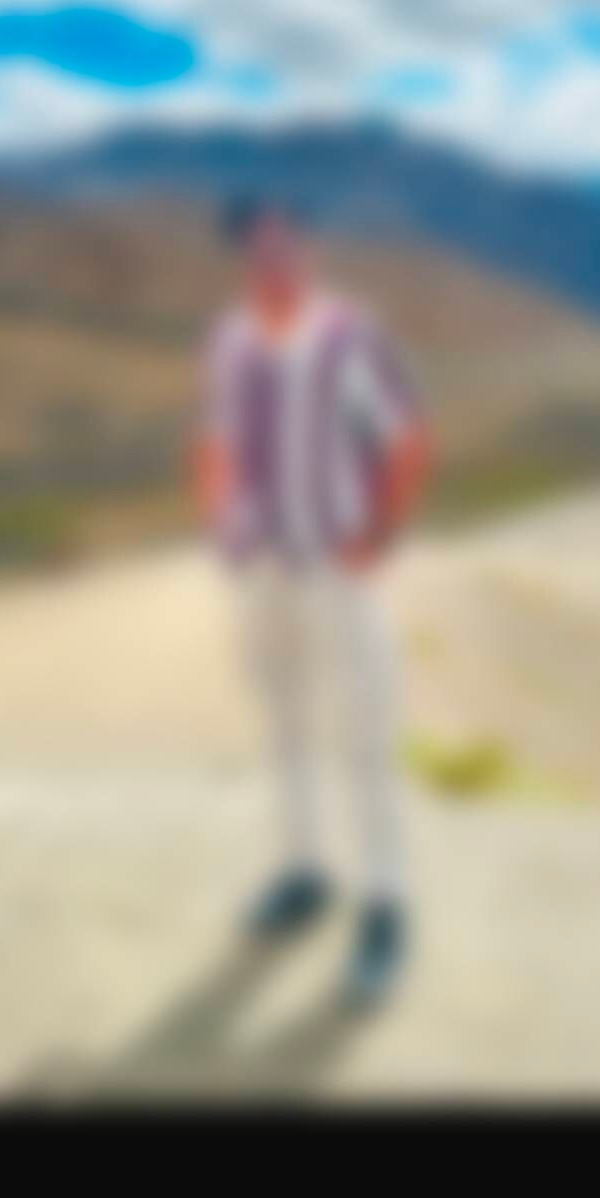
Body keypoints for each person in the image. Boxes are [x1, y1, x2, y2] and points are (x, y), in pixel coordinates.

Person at [192, 193, 432, 1007]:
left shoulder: (350, 335)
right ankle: (304, 871)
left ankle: (385, 903)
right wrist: (222, 524)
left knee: (365, 732)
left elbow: (407, 437)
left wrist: (379, 536)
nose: (275, 265)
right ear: (242, 261)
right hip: (263, 567)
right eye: (259, 252)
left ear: (308, 250)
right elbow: (216, 438)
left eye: (286, 248)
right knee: (284, 723)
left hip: (337, 565)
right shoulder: (228, 342)